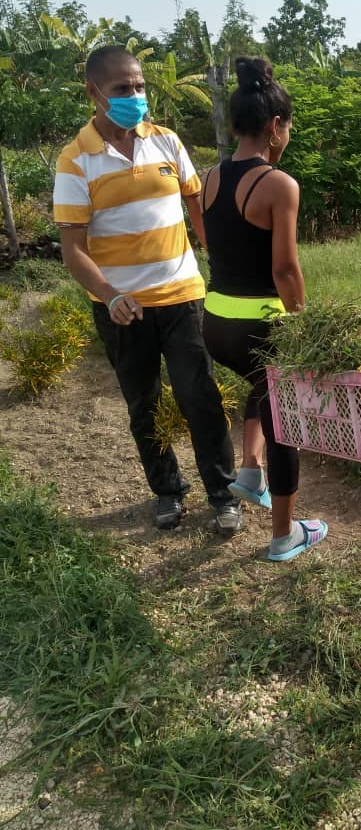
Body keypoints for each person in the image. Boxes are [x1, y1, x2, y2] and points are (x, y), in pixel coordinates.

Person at [53, 45, 243, 534]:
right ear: (94, 92)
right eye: (122, 89)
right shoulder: (76, 162)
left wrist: (222, 261)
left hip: (182, 295)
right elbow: (72, 248)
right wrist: (109, 294)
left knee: (199, 395)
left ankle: (224, 493)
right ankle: (168, 491)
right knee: (145, 404)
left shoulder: (167, 143)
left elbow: (197, 208)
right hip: (122, 309)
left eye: (139, 86)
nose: (135, 96)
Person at [200, 56, 328, 562]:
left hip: (215, 323)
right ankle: (284, 535)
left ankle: (249, 473)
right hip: (260, 325)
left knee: (261, 381)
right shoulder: (279, 184)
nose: (288, 135)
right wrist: (304, 324)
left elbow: (216, 244)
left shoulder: (209, 178)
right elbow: (285, 271)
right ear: (276, 127)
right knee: (285, 421)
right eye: (288, 126)